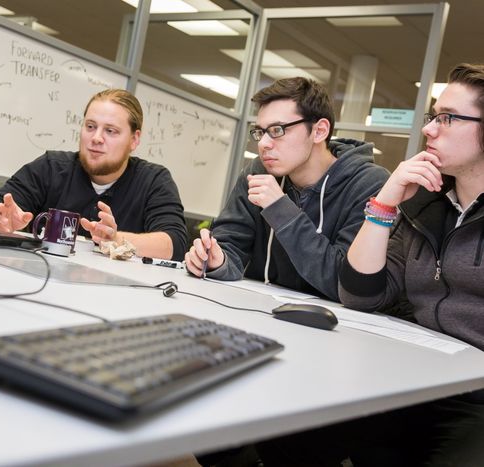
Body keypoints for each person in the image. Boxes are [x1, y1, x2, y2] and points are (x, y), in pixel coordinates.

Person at [256, 63, 484, 466]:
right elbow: (361, 293)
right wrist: (386, 202)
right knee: (287, 437)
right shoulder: (423, 204)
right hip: (411, 381)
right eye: (433, 117)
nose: (429, 129)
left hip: (475, 399)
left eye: (447, 118)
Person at [185, 77, 389, 301]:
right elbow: (231, 246)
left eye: (277, 130)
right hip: (258, 311)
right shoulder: (259, 171)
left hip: (335, 326)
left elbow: (344, 283)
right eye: (260, 132)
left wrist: (281, 210)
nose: (263, 144)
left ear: (319, 131)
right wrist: (217, 260)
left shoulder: (368, 184)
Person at [0, 89, 188, 261]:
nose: (96, 138)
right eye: (90, 126)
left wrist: (115, 238)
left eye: (110, 131)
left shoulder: (153, 181)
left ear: (134, 140)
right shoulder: (52, 167)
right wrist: (0, 220)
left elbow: (174, 243)